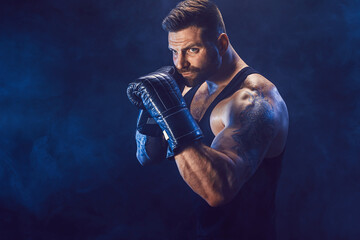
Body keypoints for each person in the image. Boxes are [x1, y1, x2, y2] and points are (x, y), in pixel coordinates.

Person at [127, 0, 289, 239]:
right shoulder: (191, 81)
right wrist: (153, 111)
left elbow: (218, 191)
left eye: (192, 50)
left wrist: (169, 110)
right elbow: (148, 154)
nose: (180, 63)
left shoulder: (254, 100)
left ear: (221, 43)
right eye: (174, 51)